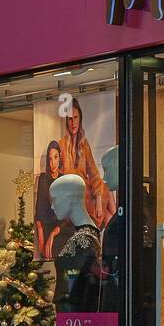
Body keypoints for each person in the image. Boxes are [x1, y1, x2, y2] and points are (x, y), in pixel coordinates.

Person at [58, 98, 113, 227]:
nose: (73, 123)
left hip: (87, 191)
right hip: (75, 195)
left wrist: (99, 199)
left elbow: (93, 173)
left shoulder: (84, 144)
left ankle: (117, 230)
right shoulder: (61, 145)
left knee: (106, 190)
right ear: (66, 122)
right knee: (109, 213)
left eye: (76, 118)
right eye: (70, 119)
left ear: (80, 119)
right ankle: (120, 232)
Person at [35, 139, 63, 259]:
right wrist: (41, 241)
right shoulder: (43, 179)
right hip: (47, 227)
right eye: (50, 159)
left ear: (60, 158)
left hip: (61, 228)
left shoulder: (64, 180)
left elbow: (68, 214)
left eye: (55, 157)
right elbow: (39, 211)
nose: (53, 163)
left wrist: (54, 232)